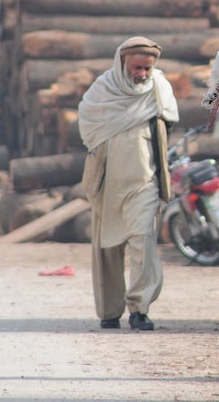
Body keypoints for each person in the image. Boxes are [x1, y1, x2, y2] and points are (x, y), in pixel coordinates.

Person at [78, 36, 179, 330]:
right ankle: (110, 311)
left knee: (142, 242)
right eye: (137, 68)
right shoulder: (102, 90)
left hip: (144, 183)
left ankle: (139, 309)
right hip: (108, 183)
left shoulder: (159, 89)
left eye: (147, 68)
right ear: (122, 62)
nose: (142, 74)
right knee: (107, 248)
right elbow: (88, 126)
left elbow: (169, 120)